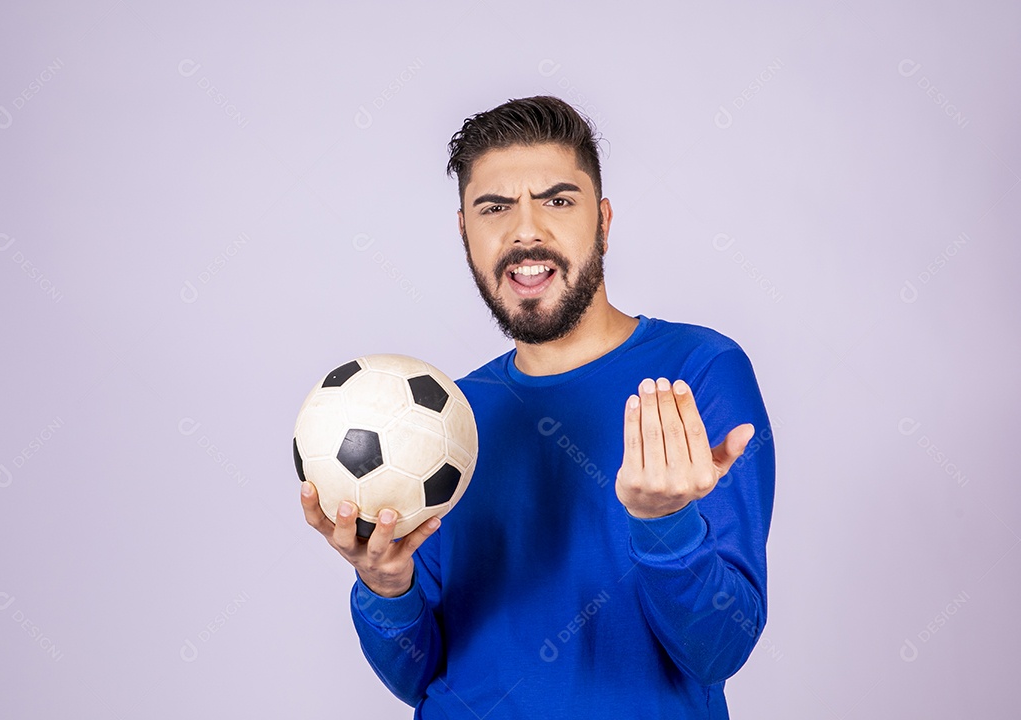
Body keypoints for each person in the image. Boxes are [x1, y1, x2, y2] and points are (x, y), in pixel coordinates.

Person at [300, 95, 776, 719]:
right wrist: (386, 588)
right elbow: (416, 677)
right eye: (495, 208)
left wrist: (665, 524)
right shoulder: (448, 417)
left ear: (603, 222)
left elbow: (720, 649)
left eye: (557, 200)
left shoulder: (698, 372)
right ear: (465, 232)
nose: (526, 231)